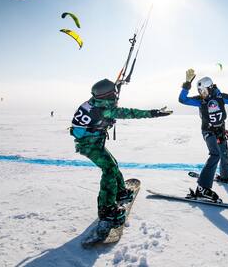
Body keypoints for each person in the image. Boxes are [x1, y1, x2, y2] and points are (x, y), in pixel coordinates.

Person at [71, 78, 172, 226]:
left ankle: (120, 191)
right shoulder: (105, 110)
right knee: (109, 170)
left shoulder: (95, 101)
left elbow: (106, 94)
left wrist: (117, 85)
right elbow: (131, 113)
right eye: (114, 94)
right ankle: (106, 210)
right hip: (89, 145)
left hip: (93, 141)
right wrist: (153, 113)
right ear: (108, 95)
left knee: (113, 164)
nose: (116, 96)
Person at [179, 69, 228, 202]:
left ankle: (225, 176)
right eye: (200, 92)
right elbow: (182, 99)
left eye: (204, 91)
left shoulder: (221, 97)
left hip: (220, 130)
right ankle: (202, 188)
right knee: (215, 154)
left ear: (210, 87)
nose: (202, 94)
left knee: (224, 153)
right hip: (208, 131)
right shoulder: (200, 101)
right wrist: (186, 85)